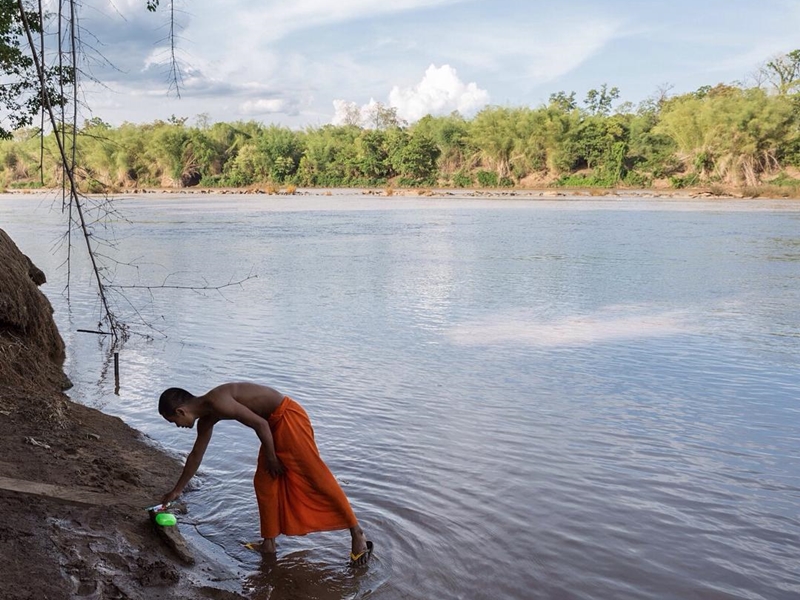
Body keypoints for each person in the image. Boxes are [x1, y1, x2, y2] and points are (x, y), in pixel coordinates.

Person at [158, 382, 373, 566]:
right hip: (272, 427)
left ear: (180, 411)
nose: (177, 426)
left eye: (173, 422)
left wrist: (271, 457)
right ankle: (269, 544)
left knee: (316, 477)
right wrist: (177, 491)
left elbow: (259, 423)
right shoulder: (206, 418)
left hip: (288, 418)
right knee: (264, 482)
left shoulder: (217, 401)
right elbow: (196, 455)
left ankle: (357, 533)